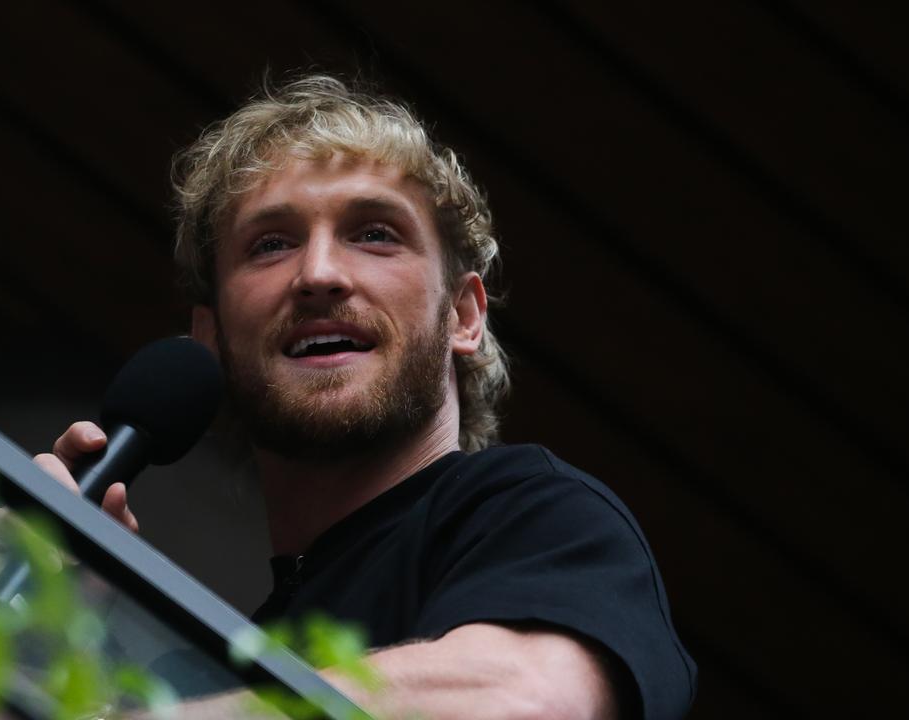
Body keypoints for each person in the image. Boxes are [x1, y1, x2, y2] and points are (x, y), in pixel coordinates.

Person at [34, 75, 695, 719]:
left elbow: (527, 702)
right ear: (210, 340)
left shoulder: (538, 515)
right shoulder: (203, 675)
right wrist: (18, 618)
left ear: (464, 317)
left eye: (375, 233)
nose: (318, 274)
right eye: (270, 245)